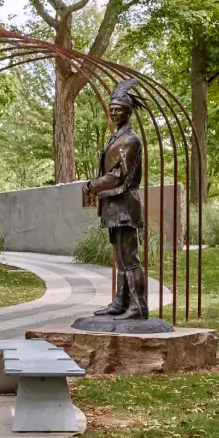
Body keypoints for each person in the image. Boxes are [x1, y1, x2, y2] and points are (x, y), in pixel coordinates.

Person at [83, 79, 148, 320]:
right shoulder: (117, 137)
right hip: (114, 206)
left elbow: (119, 175)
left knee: (130, 259)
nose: (113, 113)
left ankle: (138, 307)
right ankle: (121, 303)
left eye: (118, 109)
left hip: (124, 207)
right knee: (121, 259)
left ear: (129, 112)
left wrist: (92, 186)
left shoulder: (131, 139)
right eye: (111, 110)